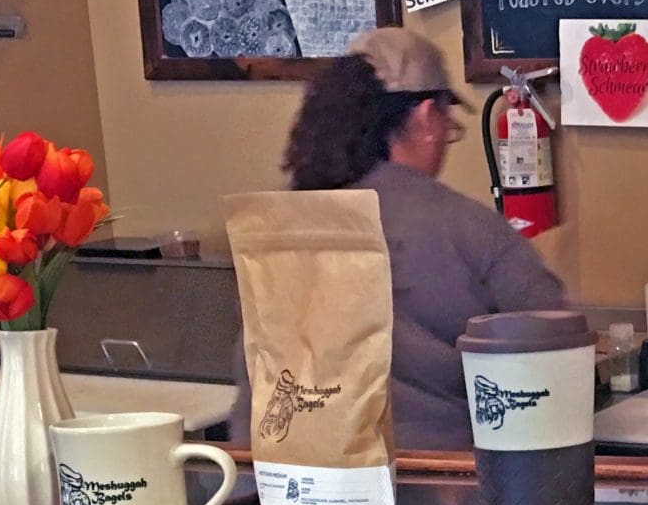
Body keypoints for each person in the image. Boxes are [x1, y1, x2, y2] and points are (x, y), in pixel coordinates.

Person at [240, 26, 568, 450]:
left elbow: (251, 374)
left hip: (296, 493)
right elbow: (556, 348)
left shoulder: (282, 228)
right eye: (449, 122)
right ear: (427, 117)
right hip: (445, 493)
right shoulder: (467, 228)